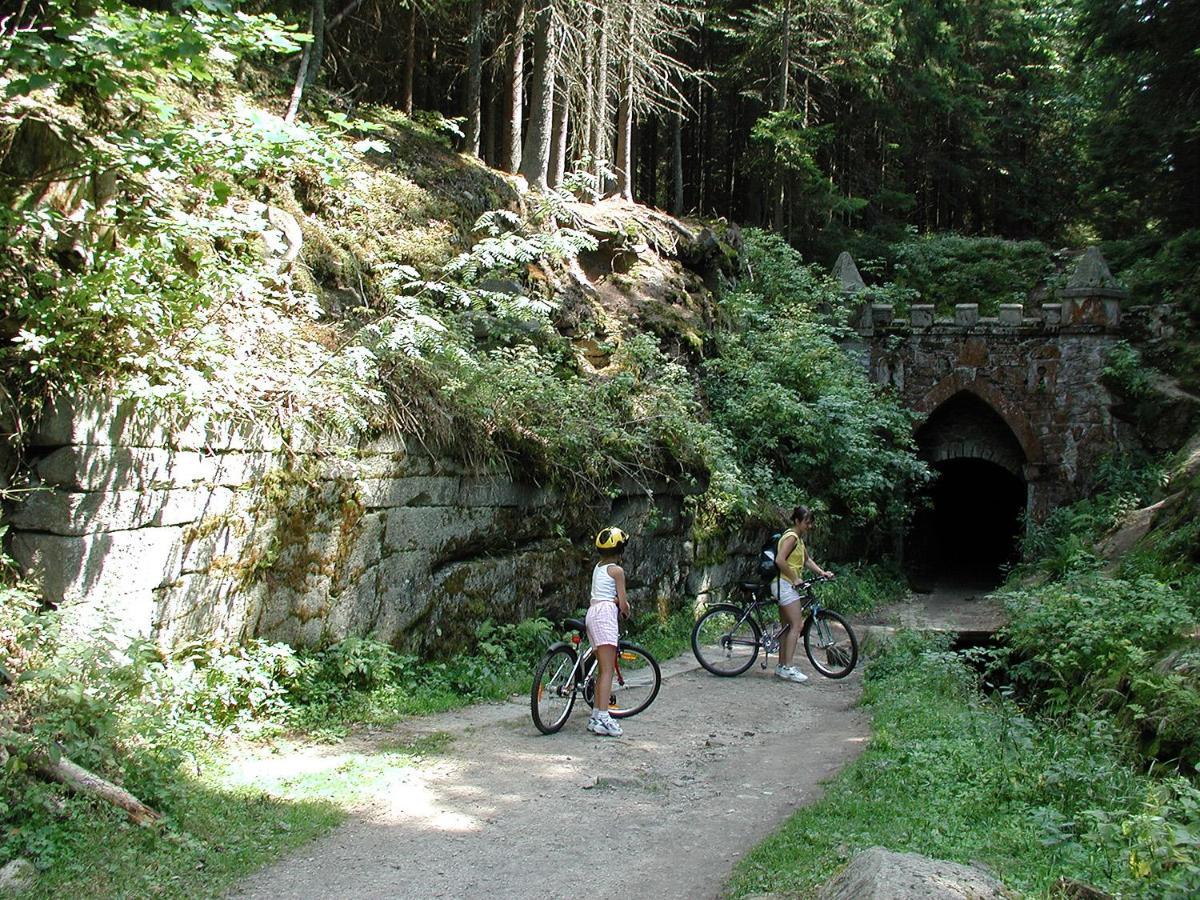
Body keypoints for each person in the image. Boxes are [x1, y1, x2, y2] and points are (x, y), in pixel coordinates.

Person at [771, 505, 833, 683]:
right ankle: (789, 668)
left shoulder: (798, 539)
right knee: (797, 625)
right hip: (784, 584)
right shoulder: (791, 537)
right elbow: (779, 560)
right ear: (797, 521)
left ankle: (782, 666)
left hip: (784, 584)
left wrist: (821, 572)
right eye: (807, 522)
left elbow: (806, 560)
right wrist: (795, 578)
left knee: (786, 627)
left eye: (811, 523)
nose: (809, 526)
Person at [586, 526, 631, 736]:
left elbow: (603, 593)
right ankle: (604, 717)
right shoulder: (617, 571)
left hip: (593, 613)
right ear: (620, 549)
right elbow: (623, 603)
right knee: (607, 671)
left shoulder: (599, 567)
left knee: (601, 669)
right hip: (605, 616)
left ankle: (596, 715)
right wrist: (626, 610)